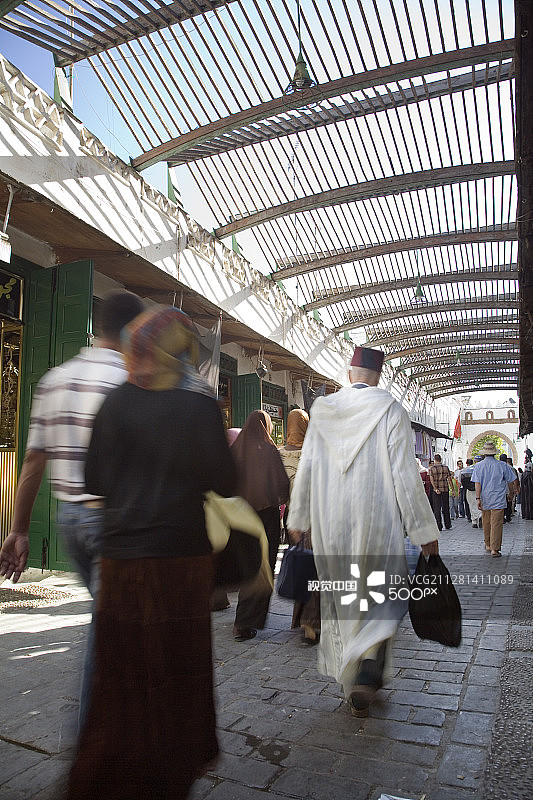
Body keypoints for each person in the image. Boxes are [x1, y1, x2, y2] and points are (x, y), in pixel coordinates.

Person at [66, 306, 236, 800]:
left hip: (122, 561)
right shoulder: (201, 407)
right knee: (178, 670)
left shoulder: (116, 402)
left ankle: (110, 773)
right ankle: (170, 774)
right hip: (182, 563)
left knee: (121, 673)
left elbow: (94, 479)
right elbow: (225, 482)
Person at [0, 291, 145, 727]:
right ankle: (94, 739)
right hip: (114, 522)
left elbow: (33, 461)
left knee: (113, 623)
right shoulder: (133, 382)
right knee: (109, 633)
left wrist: (18, 530)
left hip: (70, 520)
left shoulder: (56, 379)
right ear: (133, 332)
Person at [287, 346, 439, 718]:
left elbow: (307, 469)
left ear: (349, 374)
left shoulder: (322, 410)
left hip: (330, 526)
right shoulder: (390, 410)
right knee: (380, 597)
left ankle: (353, 678)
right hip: (377, 524)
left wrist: (299, 519)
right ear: (379, 377)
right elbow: (405, 476)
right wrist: (423, 531)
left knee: (343, 600)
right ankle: (367, 672)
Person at [230, 410, 289, 641]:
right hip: (265, 518)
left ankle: (242, 619)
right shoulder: (268, 450)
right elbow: (282, 484)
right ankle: (246, 621)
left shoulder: (236, 450)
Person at [279, 408, 320, 645]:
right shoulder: (314, 452)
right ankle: (309, 623)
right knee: (314, 568)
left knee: (302, 565)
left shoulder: (279, 453)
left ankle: (302, 620)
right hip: (313, 517)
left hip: (291, 518)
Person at [471, 440, 518, 558]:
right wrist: (511, 493)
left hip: (485, 498)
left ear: (484, 453)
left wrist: (478, 498)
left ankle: (488, 544)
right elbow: (510, 481)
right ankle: (495, 549)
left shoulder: (478, 466)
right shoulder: (502, 465)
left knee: (486, 521)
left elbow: (477, 484)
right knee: (496, 523)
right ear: (494, 453)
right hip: (498, 498)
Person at [429, 454, 453, 531]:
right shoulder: (446, 468)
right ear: (440, 459)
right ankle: (447, 524)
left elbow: (431, 480)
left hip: (436, 490)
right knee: (446, 507)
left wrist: (435, 488)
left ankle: (439, 525)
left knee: (437, 508)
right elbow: (449, 479)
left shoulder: (432, 469)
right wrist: (452, 489)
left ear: (435, 459)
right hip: (445, 489)